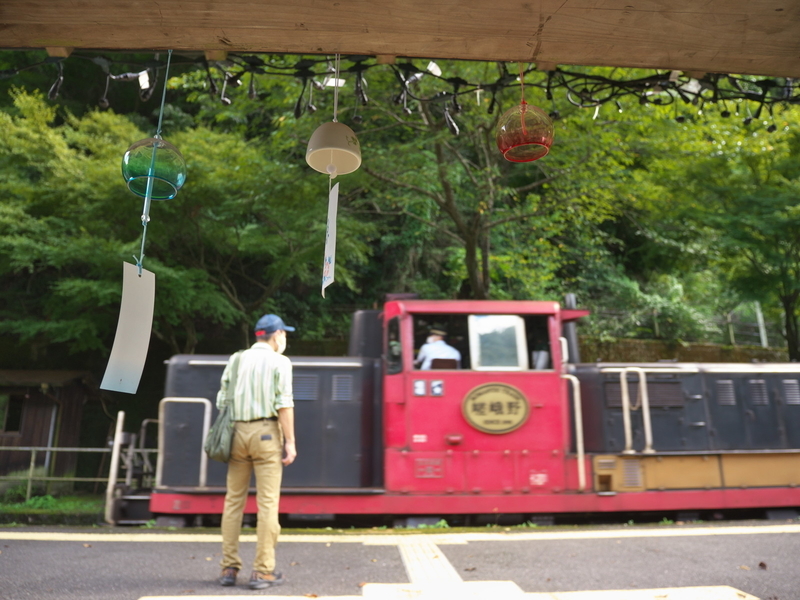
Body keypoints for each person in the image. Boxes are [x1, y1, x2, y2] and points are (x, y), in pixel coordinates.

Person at [217, 314, 297, 589]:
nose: (284, 338)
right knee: (267, 505)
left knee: (233, 502)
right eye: (284, 334)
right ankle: (262, 571)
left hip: (237, 433)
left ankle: (228, 569)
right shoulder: (280, 362)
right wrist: (290, 442)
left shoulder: (236, 359)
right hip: (265, 434)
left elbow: (222, 401)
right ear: (276, 336)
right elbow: (284, 405)